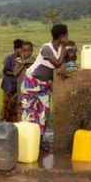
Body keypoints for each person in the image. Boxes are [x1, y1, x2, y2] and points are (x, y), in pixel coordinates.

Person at [21, 24, 69, 152]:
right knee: (29, 113)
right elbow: (58, 63)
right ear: (62, 36)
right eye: (67, 35)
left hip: (44, 85)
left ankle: (40, 141)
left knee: (43, 114)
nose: (68, 38)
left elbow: (61, 66)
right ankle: (26, 141)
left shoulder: (59, 49)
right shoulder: (46, 48)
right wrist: (64, 51)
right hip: (32, 82)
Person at [0, 39, 23, 122]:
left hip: (17, 87)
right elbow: (5, 71)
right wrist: (15, 73)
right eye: (19, 49)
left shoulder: (23, 59)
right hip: (8, 86)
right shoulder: (9, 58)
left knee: (16, 108)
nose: (21, 51)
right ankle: (4, 123)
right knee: (7, 107)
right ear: (15, 49)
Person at [13, 41, 35, 116]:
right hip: (21, 90)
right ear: (22, 51)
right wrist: (23, 64)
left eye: (28, 51)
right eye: (24, 51)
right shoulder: (19, 61)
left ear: (32, 51)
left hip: (31, 89)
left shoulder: (34, 61)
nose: (26, 53)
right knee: (21, 108)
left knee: (31, 108)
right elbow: (15, 73)